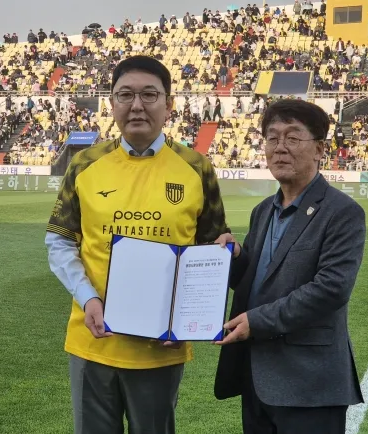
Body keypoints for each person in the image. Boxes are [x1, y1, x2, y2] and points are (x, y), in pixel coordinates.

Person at [45, 55, 228, 434]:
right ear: (112, 103)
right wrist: (88, 298)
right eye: (125, 95)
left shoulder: (197, 168)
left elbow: (211, 250)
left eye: (149, 94)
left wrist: (185, 320)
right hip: (92, 341)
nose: (137, 105)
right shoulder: (84, 164)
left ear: (169, 103)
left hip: (160, 349)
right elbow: (60, 241)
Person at [213, 99, 366, 434]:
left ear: (319, 150)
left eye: (293, 138)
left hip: (309, 384)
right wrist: (235, 258)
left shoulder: (342, 212)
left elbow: (331, 288)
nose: (280, 148)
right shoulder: (263, 211)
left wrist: (256, 321)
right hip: (256, 378)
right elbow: (255, 280)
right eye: (272, 138)